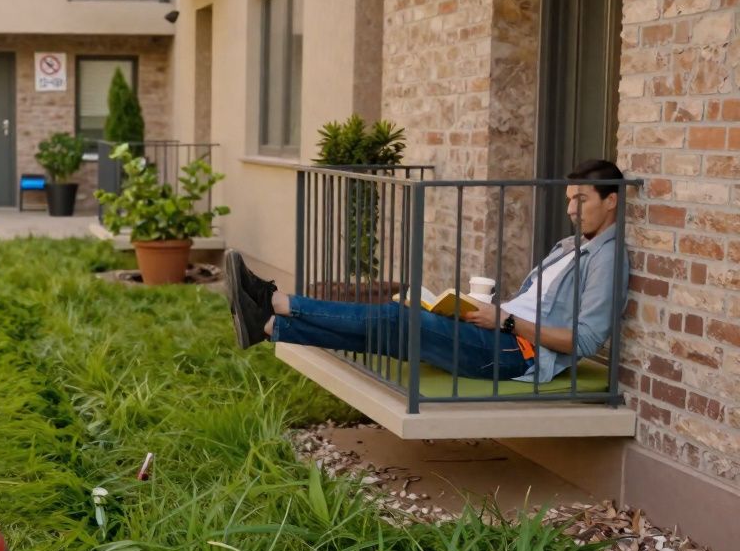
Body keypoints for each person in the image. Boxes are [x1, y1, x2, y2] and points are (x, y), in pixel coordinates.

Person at [227, 159, 629, 383]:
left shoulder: (608, 259)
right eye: (569, 200)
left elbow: (585, 340)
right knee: (393, 331)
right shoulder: (570, 247)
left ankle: (276, 301)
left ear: (611, 201)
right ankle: (269, 326)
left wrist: (506, 322)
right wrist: (485, 311)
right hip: (499, 333)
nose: (571, 209)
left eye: (581, 200)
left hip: (516, 354)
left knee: (395, 319)